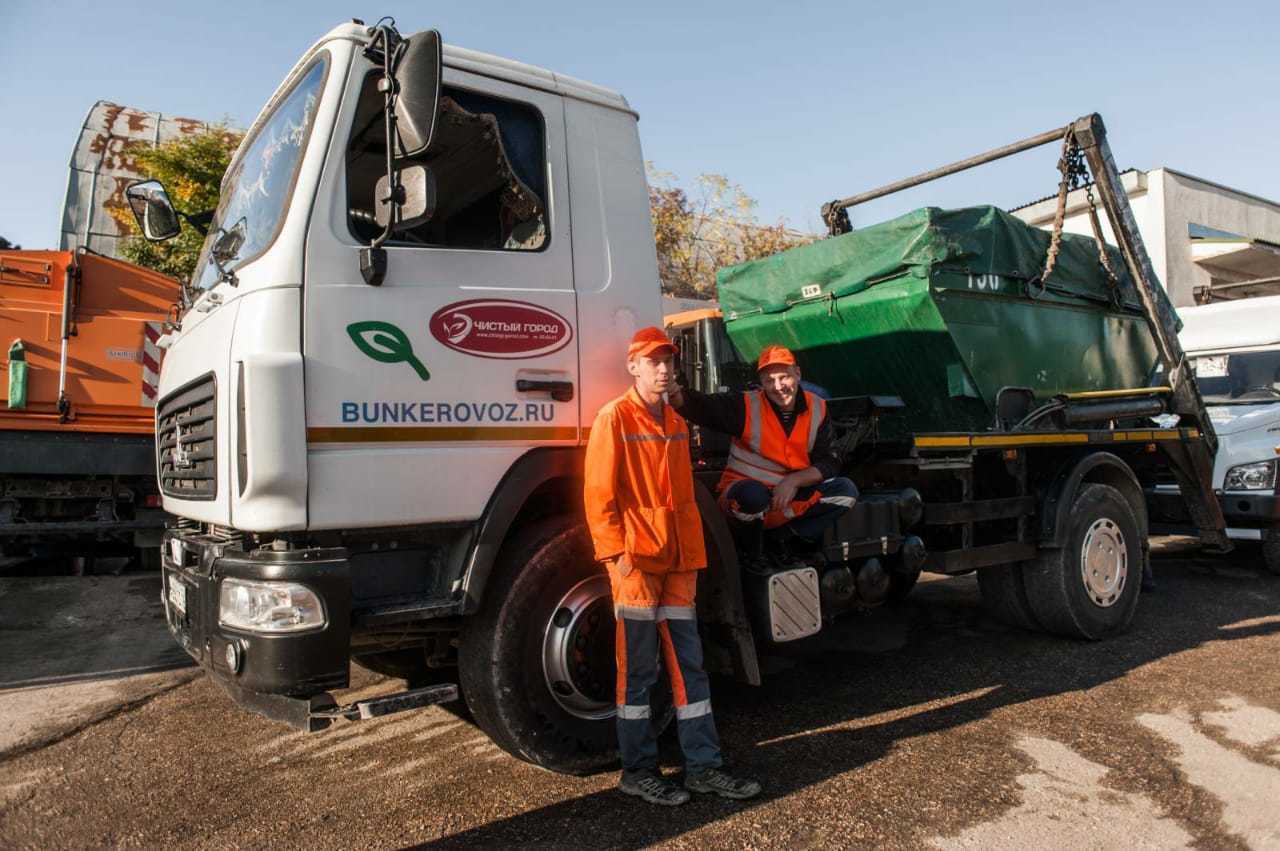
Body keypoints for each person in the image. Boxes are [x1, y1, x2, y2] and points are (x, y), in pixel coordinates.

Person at [584, 326, 762, 807]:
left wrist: (693, 554)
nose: (664, 369)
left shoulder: (678, 423)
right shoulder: (614, 418)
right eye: (653, 361)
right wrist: (616, 557)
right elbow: (599, 497)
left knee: (690, 669)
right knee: (638, 672)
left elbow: (682, 499)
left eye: (669, 362)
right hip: (637, 564)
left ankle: (704, 768)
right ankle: (638, 771)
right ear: (633, 366)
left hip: (680, 561)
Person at [669, 344, 857, 551]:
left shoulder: (818, 408)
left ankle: (783, 541)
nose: (778, 386)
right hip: (744, 497)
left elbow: (830, 460)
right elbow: (705, 407)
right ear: (762, 383)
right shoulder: (746, 406)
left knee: (845, 491)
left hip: (786, 498)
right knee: (753, 496)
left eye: (784, 377)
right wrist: (677, 396)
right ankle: (752, 554)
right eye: (770, 380)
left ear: (798, 373)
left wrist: (793, 481)